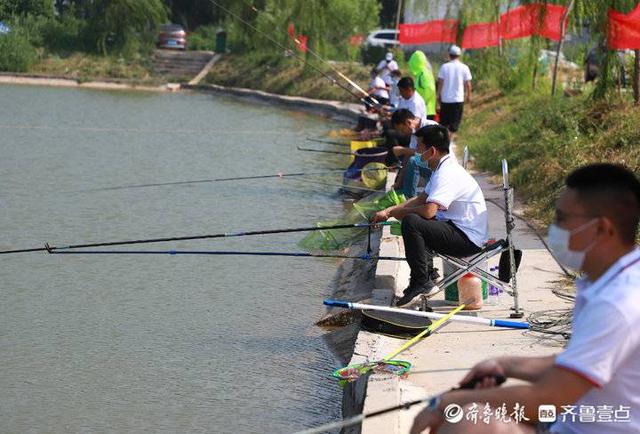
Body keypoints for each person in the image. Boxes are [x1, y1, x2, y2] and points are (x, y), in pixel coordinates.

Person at [410, 163, 640, 434]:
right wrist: (503, 365)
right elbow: (576, 363)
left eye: (563, 219)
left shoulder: (618, 302)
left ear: (602, 229)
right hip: (572, 420)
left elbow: (550, 398)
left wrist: (448, 402)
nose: (555, 229)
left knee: (468, 422)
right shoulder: (607, 280)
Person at [372, 124, 488, 306]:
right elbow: (421, 199)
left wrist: (399, 213)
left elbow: (428, 210)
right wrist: (388, 211)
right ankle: (425, 276)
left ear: (432, 150)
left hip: (467, 239)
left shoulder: (446, 173)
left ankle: (422, 282)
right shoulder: (442, 168)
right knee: (415, 220)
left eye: (419, 148)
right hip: (456, 230)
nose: (417, 153)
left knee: (412, 221)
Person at [390, 109, 438, 198]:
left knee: (414, 161)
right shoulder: (414, 133)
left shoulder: (431, 126)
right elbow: (408, 157)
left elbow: (433, 153)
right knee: (410, 160)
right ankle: (405, 193)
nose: (402, 133)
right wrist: (398, 182)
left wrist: (403, 150)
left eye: (401, 129)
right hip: (430, 165)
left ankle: (408, 198)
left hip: (439, 167)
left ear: (408, 122)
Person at [437, 45, 472, 138]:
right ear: (459, 55)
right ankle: (449, 140)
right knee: (454, 124)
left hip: (446, 100)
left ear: (449, 55)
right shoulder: (464, 67)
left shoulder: (444, 67)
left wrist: (438, 95)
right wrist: (469, 96)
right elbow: (468, 84)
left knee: (444, 123)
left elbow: (440, 82)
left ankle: (445, 140)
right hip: (458, 100)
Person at [408, 50, 437, 120]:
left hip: (426, 110)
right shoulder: (420, 74)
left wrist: (422, 102)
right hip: (423, 110)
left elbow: (430, 89)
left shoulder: (424, 74)